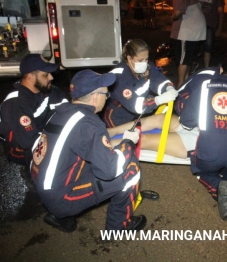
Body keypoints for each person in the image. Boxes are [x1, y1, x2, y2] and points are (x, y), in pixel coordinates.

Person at [30, 69, 146, 233]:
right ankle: (119, 226)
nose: (108, 97)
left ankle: (57, 215)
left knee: (95, 157)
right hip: (60, 197)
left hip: (41, 184)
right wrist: (128, 143)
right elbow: (110, 170)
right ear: (94, 96)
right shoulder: (89, 123)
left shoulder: (58, 112)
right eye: (106, 94)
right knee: (131, 169)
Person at [178, 56, 227, 220]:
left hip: (209, 155)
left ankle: (216, 185)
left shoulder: (205, 86)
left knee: (202, 169)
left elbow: (187, 120)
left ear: (220, 69)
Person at [0, 54, 68, 169]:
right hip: (20, 151)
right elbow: (29, 141)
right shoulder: (16, 102)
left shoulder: (44, 89)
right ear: (31, 76)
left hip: (38, 138)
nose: (51, 77)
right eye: (45, 75)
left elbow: (67, 108)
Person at [103, 39, 178, 131]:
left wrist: (168, 87)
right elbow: (135, 105)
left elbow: (157, 79)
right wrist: (158, 100)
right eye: (140, 60)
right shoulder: (120, 77)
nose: (144, 63)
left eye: (146, 59)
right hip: (117, 120)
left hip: (137, 116)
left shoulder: (146, 66)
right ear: (129, 58)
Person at [171, 0, 206, 87]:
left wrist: (171, 17)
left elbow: (177, 14)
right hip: (190, 33)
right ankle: (183, 84)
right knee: (186, 60)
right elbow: (178, 14)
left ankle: (183, 84)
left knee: (186, 60)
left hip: (190, 33)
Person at [199, 0, 225, 68]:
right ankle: (193, 65)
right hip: (197, 24)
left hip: (210, 24)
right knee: (194, 46)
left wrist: (220, 28)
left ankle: (206, 67)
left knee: (208, 47)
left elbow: (221, 12)